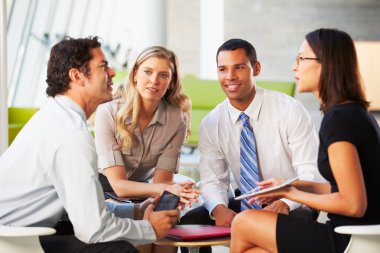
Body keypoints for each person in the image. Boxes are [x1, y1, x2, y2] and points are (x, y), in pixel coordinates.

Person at [0, 36, 179, 253]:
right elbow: (93, 229)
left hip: (27, 230)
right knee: (120, 249)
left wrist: (134, 212)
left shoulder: (54, 116)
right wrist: (149, 229)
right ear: (77, 76)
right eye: (103, 66)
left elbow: (81, 208)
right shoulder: (71, 135)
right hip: (15, 240)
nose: (112, 72)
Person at [230, 28, 380, 253]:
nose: (294, 66)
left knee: (242, 222)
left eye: (301, 59)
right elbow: (342, 188)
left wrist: (291, 194)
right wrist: (293, 184)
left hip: (350, 239)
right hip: (361, 236)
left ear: (327, 64)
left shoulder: (339, 119)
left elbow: (353, 204)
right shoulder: (353, 113)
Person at [180, 38, 325, 253]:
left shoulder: (289, 110)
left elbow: (311, 172)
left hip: (294, 199)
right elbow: (213, 180)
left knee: (294, 221)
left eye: (239, 67)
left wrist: (285, 202)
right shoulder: (212, 123)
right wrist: (220, 209)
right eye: (223, 69)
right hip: (247, 199)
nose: (230, 76)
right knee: (191, 221)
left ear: (256, 68)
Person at [94, 46, 200, 206]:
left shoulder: (178, 119)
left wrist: (177, 193)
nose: (154, 81)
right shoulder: (108, 111)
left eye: (163, 75)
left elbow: (163, 181)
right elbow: (119, 187)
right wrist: (166, 189)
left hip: (144, 191)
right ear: (135, 73)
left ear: (171, 81)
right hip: (102, 189)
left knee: (167, 214)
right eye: (148, 72)